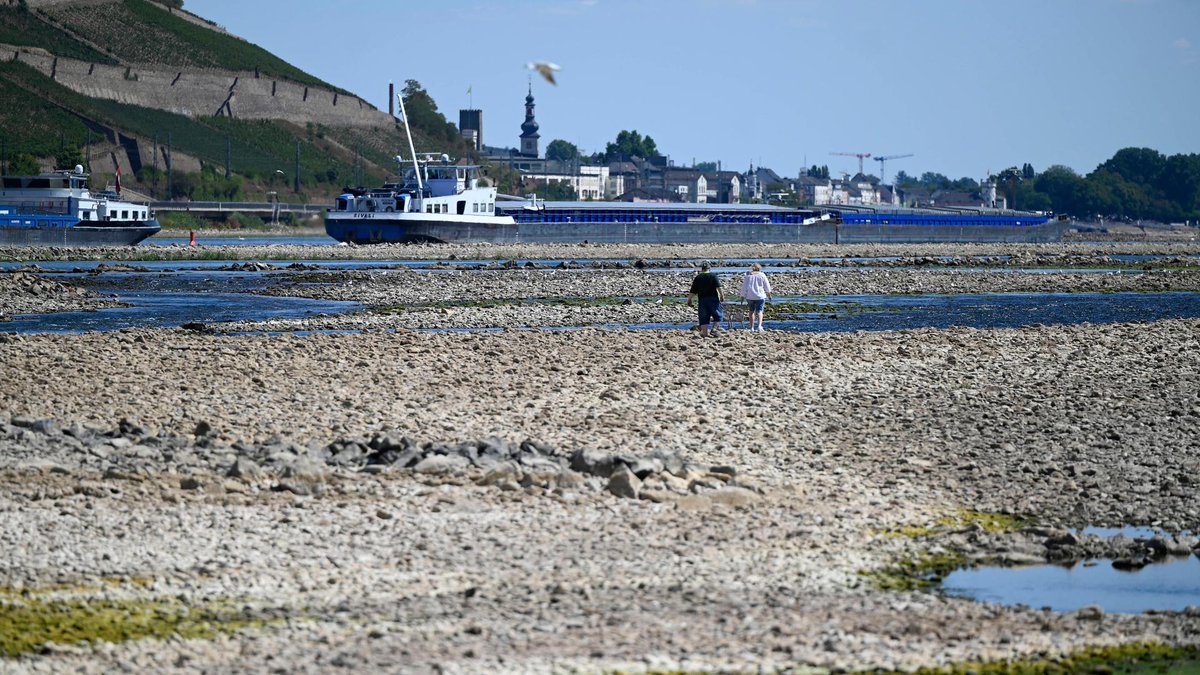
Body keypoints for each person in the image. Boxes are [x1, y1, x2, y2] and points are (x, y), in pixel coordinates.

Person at [687, 263, 723, 337]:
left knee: (703, 317)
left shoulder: (698, 277)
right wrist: (722, 296)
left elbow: (693, 291)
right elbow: (719, 287)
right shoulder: (713, 276)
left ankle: (705, 334)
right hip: (713, 299)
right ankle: (714, 329)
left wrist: (689, 299)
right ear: (709, 269)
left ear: (702, 269)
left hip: (702, 300)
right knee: (718, 315)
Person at [739, 262, 773, 332]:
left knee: (751, 311)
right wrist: (769, 295)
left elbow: (744, 287)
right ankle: (759, 326)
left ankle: (752, 327)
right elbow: (767, 286)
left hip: (750, 296)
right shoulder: (762, 275)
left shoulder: (748, 276)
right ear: (759, 268)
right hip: (760, 296)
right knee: (760, 311)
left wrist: (742, 296)